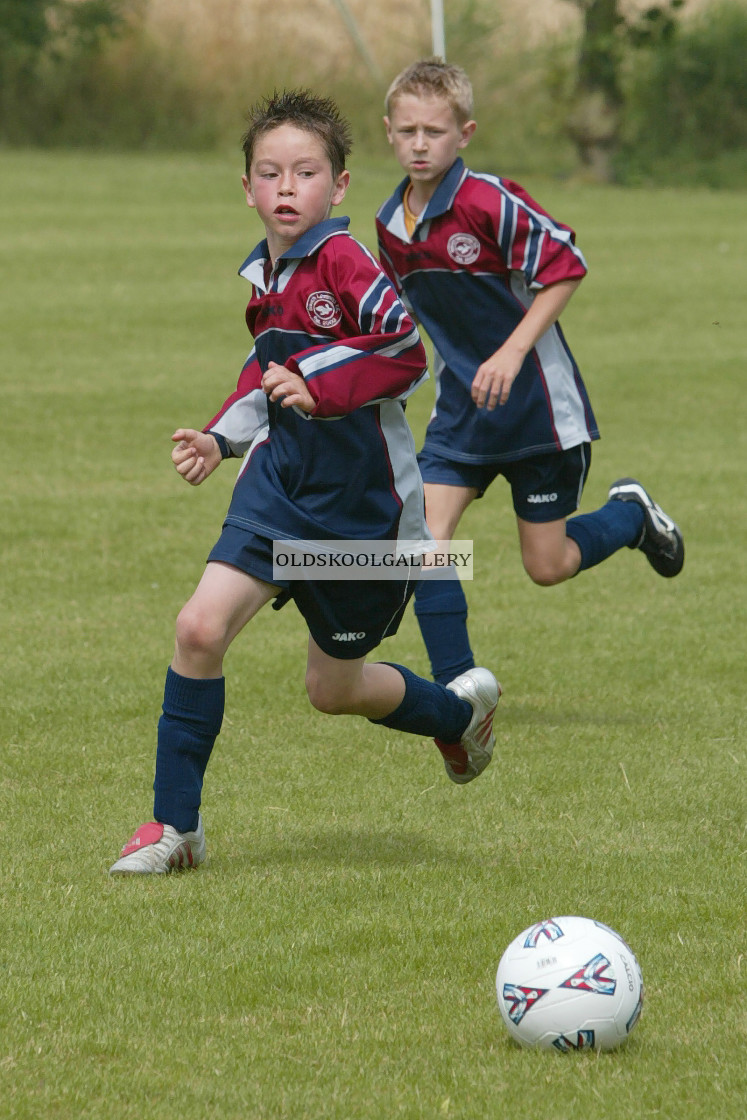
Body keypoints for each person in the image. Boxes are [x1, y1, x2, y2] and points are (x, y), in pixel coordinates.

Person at [110, 91, 501, 874]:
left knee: (333, 689)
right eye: (269, 172)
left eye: (306, 172)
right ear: (247, 188)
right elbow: (265, 372)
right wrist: (219, 438)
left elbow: (403, 348)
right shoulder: (266, 274)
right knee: (198, 629)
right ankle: (173, 829)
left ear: (340, 186)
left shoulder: (345, 262)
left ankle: (456, 713)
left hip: (364, 515)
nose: (286, 187)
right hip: (279, 489)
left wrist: (320, 382)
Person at [376, 59, 684, 687]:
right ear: (388, 131)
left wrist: (512, 351)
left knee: (547, 565)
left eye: (433, 131)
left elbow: (567, 265)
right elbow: (406, 320)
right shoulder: (389, 224)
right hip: (463, 411)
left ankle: (629, 515)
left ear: (464, 133)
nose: (419, 143)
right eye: (407, 130)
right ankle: (461, 696)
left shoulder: (490, 201)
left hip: (538, 409)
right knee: (426, 547)